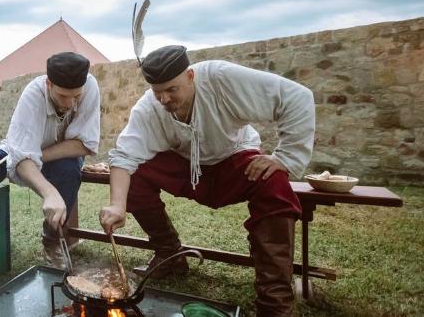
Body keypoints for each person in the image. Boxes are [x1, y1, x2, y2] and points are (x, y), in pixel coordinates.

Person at [99, 45, 315, 317]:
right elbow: (125, 155)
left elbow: (296, 97)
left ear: (190, 76)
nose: (164, 99)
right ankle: (168, 254)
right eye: (158, 92)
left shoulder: (222, 78)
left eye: (172, 89)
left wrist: (286, 157)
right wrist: (117, 205)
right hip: (188, 168)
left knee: (274, 182)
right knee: (136, 173)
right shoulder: (149, 107)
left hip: (234, 161)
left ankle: (275, 302)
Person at [0, 52, 101, 267]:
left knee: (69, 170)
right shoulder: (33, 95)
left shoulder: (90, 87)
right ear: (49, 84)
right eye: (63, 96)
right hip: (14, 150)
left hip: (59, 156)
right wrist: (49, 192)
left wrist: (40, 157)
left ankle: (52, 240)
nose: (70, 103)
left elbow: (84, 144)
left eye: (76, 96)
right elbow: (20, 157)